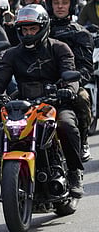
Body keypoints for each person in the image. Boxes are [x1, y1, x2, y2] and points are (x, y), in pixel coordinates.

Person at [0, 4, 84, 198]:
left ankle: (75, 173)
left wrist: (67, 90)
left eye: (33, 28)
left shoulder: (59, 48)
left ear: (43, 27)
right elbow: (1, 77)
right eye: (25, 29)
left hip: (55, 102)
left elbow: (70, 75)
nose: (28, 33)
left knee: (65, 125)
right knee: (1, 129)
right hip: (24, 106)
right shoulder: (12, 53)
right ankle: (6, 177)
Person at [46, 0, 94, 162]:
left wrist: (70, 82)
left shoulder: (80, 33)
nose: (60, 6)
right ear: (49, 5)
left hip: (70, 84)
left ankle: (83, 141)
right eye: (56, 3)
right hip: (42, 84)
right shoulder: (41, 30)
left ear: (71, 6)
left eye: (64, 2)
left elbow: (86, 69)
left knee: (82, 97)